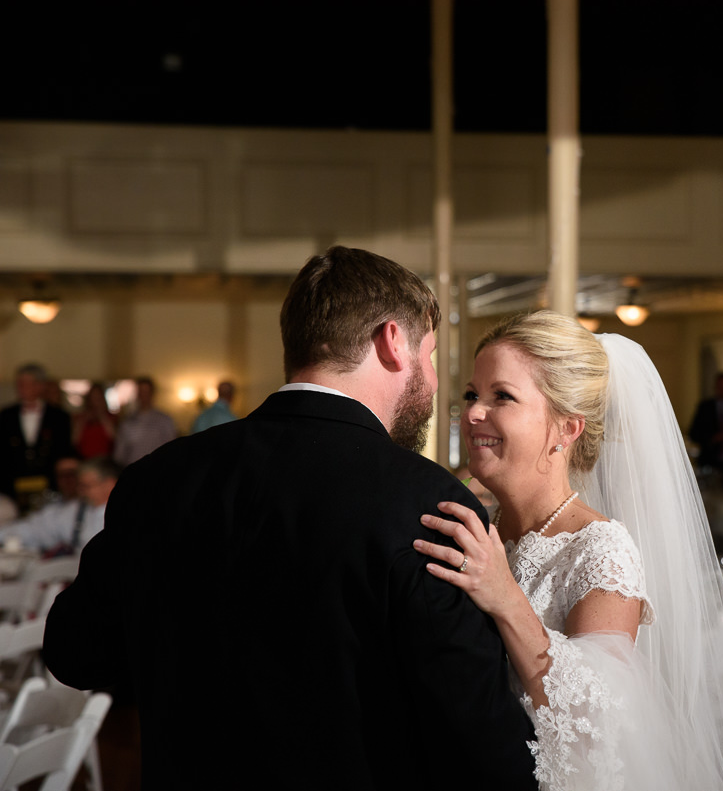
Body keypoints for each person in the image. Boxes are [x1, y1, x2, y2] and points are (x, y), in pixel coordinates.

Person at [43, 246, 537, 790]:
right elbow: (481, 740)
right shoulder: (429, 504)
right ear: (393, 341)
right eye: (431, 353)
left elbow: (76, 654)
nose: (436, 378)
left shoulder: (158, 477)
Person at [413, 310, 723, 790]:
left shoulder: (600, 548)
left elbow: (600, 720)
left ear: (566, 429)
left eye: (502, 397)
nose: (472, 413)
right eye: (473, 394)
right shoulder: (478, 527)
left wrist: (505, 595)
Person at [0, 456, 117, 556]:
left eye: (86, 486)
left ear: (109, 484)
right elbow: (36, 529)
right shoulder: (75, 510)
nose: (81, 491)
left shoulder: (128, 512)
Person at [0, 363, 74, 512]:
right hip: (12, 487)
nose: (21, 388)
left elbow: (62, 450)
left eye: (27, 383)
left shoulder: (59, 416)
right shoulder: (6, 416)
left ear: (40, 386)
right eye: (19, 384)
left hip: (49, 487)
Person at [112, 376, 178, 467]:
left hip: (157, 469)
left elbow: (172, 447)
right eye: (141, 392)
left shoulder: (164, 420)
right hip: (132, 470)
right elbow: (120, 450)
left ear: (152, 393)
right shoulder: (127, 421)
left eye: (146, 392)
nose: (143, 396)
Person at [72, 382, 117, 459]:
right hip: (84, 459)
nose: (95, 401)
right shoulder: (80, 418)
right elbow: (75, 440)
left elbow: (114, 438)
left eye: (98, 397)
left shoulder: (111, 418)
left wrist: (102, 418)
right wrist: (83, 421)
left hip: (104, 459)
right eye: (93, 397)